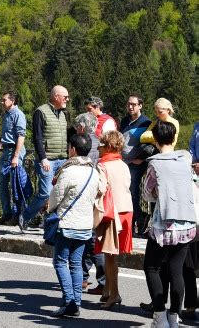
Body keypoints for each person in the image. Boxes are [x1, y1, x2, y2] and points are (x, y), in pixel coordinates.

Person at [143, 121, 196, 328]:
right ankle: (174, 316)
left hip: (162, 225)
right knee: (177, 270)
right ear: (174, 138)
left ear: (155, 140)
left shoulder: (154, 163)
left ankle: (159, 314)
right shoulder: (186, 159)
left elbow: (147, 193)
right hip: (187, 222)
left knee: (152, 267)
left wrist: (160, 193)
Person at [48, 133, 100, 317]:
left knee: (60, 262)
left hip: (67, 223)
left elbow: (55, 198)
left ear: (73, 149)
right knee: (76, 264)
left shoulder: (68, 171)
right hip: (86, 224)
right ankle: (76, 302)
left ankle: (69, 300)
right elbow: (101, 191)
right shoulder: (94, 171)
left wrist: (49, 208)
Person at [20, 85, 69, 231]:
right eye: (65, 97)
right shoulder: (41, 112)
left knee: (60, 193)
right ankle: (26, 215)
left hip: (62, 159)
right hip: (48, 160)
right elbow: (37, 137)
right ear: (56, 96)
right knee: (45, 193)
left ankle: (51, 223)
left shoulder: (63, 113)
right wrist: (43, 158)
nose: (67, 99)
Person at [95, 130, 133, 309]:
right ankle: (107, 290)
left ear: (108, 146)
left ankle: (115, 294)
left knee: (110, 256)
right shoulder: (123, 164)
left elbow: (101, 189)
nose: (98, 147)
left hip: (112, 212)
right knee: (112, 253)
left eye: (101, 144)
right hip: (126, 209)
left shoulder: (102, 165)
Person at [74, 112, 106, 294]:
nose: (77, 130)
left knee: (91, 240)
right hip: (95, 194)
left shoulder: (84, 143)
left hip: (87, 196)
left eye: (78, 127)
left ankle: (101, 280)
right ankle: (85, 277)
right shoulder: (100, 143)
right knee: (90, 239)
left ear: (83, 127)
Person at [120, 94, 152, 235]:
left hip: (137, 165)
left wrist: (141, 159)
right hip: (123, 163)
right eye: (129, 104)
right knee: (125, 194)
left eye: (133, 104)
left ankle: (138, 222)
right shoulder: (124, 121)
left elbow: (150, 146)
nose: (130, 107)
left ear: (140, 106)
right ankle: (129, 225)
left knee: (133, 193)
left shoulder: (146, 123)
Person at [0, 91, 26, 225]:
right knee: (1, 184)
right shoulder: (6, 115)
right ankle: (6, 214)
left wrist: (16, 156)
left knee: (15, 185)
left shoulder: (18, 115)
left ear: (12, 101)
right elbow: (6, 134)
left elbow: (21, 136)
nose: (2, 102)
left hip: (14, 152)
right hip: (6, 152)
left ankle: (17, 215)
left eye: (4, 100)